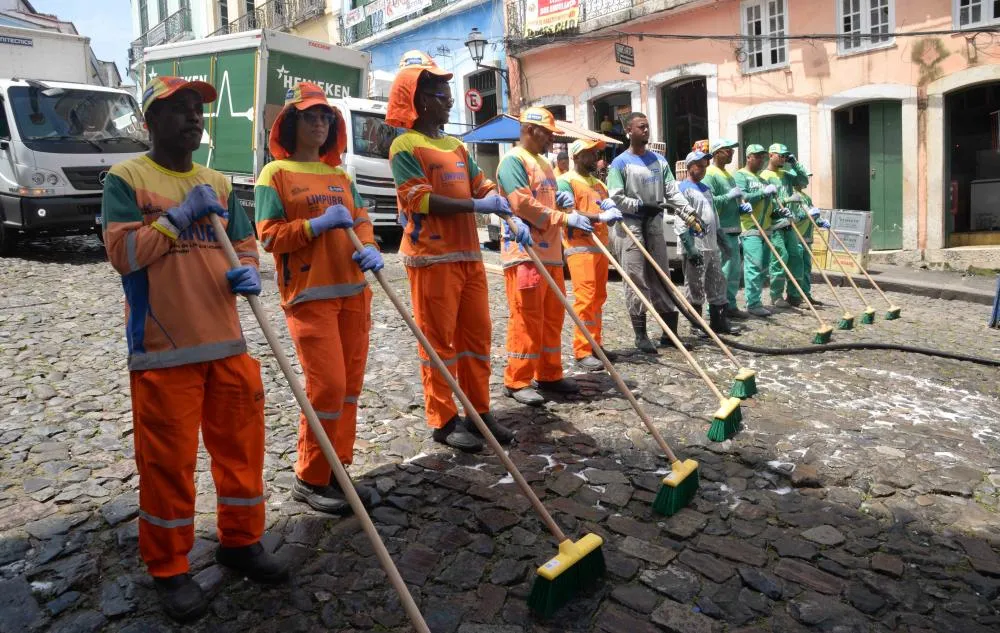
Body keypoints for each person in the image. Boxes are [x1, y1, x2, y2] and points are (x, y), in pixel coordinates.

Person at [101, 76, 286, 623]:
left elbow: (245, 243)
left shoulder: (218, 183)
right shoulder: (126, 178)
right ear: (149, 121)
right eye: (178, 109)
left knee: (242, 452)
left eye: (196, 109)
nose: (192, 117)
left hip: (227, 342)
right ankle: (169, 567)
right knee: (168, 466)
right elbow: (124, 254)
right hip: (164, 350)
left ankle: (241, 540)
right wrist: (177, 217)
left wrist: (246, 271)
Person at [255, 82, 382, 514]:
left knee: (348, 389)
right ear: (291, 123)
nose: (319, 123)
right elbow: (270, 237)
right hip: (309, 296)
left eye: (325, 117)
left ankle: (336, 470)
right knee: (327, 388)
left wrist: (370, 245)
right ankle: (310, 477)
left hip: (354, 292)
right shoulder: (275, 174)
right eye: (310, 116)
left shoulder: (340, 176)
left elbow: (361, 219)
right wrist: (316, 225)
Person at [385, 52, 518, 451]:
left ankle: (479, 411)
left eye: (448, 93)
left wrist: (499, 201)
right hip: (431, 258)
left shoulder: (456, 146)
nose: (450, 100)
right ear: (421, 100)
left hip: (468, 257)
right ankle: (443, 419)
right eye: (442, 94)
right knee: (437, 344)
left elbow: (480, 183)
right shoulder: (405, 146)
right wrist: (477, 205)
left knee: (477, 338)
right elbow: (419, 200)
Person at [496, 106, 592, 406]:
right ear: (529, 130)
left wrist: (561, 204)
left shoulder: (544, 164)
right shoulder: (513, 161)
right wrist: (564, 218)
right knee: (526, 317)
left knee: (552, 317)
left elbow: (544, 202)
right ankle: (517, 379)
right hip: (525, 253)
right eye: (547, 133)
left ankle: (549, 373)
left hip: (550, 254)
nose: (551, 139)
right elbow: (522, 205)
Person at [607, 111, 700, 353]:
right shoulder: (620, 163)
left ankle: (670, 334)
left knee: (661, 276)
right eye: (641, 127)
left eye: (647, 126)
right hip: (631, 226)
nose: (646, 130)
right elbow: (615, 197)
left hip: (654, 223)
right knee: (636, 279)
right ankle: (641, 335)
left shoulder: (659, 161)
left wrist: (689, 212)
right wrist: (639, 205)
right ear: (629, 131)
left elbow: (672, 191)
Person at [557, 138, 623, 371]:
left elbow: (605, 209)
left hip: (600, 247)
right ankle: (582, 349)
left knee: (598, 298)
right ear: (576, 156)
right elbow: (569, 212)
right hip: (579, 247)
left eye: (596, 153)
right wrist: (599, 217)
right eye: (590, 153)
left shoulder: (599, 184)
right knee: (585, 298)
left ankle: (595, 344)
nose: (595, 157)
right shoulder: (566, 181)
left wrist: (611, 210)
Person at [676, 151, 740, 335]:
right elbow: (680, 220)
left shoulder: (706, 189)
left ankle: (719, 322)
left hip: (711, 245)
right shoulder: (683, 189)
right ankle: (696, 325)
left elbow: (714, 216)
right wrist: (690, 247)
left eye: (705, 165)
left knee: (717, 282)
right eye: (699, 165)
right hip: (696, 245)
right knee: (695, 285)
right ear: (690, 167)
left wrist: (722, 240)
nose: (703, 169)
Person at [702, 139, 749, 320]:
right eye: (727, 150)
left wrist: (740, 208)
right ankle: (715, 308)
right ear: (716, 153)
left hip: (733, 229)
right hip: (721, 230)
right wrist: (729, 196)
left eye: (732, 150)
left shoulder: (728, 175)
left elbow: (732, 201)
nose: (731, 153)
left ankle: (730, 304)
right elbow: (710, 201)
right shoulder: (710, 174)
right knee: (721, 272)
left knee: (733, 272)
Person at [759, 143, 810, 309]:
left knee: (796, 258)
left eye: (785, 156)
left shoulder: (786, 175)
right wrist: (786, 201)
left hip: (790, 223)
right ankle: (776, 295)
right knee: (780, 258)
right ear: (770, 155)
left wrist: (795, 164)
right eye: (780, 155)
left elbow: (803, 180)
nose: (783, 159)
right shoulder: (764, 176)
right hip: (775, 224)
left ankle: (794, 295)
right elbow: (765, 200)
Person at [732, 144, 776, 317]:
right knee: (754, 265)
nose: (761, 160)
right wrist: (763, 193)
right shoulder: (741, 175)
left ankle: (756, 300)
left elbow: (769, 204)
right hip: (750, 227)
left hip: (766, 227)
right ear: (749, 157)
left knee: (763, 267)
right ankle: (753, 303)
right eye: (757, 157)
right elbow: (742, 197)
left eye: (762, 157)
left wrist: (778, 212)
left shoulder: (763, 179)